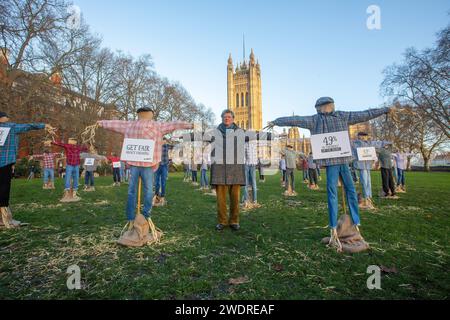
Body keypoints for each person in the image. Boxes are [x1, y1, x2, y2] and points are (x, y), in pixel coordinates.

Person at [268, 97, 393, 249]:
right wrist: (277, 121)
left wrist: (384, 110)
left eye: (325, 106)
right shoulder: (316, 120)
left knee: (350, 191)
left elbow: (365, 114)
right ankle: (334, 228)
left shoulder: (340, 116)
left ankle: (354, 224)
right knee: (334, 192)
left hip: (342, 160)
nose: (323, 108)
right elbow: (296, 120)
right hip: (333, 163)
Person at [97, 107, 193, 246]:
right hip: (143, 163)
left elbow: (114, 124)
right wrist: (189, 124)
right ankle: (139, 216)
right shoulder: (155, 126)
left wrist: (100, 123)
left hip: (142, 163)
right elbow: (174, 124)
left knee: (136, 190)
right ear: (150, 115)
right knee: (145, 190)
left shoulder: (133, 125)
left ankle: (139, 217)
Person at [0, 111, 52, 228]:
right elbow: (28, 126)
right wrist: (43, 125)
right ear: (4, 118)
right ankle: (5, 219)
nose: (8, 118)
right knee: (3, 191)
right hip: (5, 163)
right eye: (7, 117)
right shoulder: (11, 127)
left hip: (5, 162)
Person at [351, 132, 391, 209]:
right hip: (361, 165)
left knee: (368, 182)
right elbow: (352, 153)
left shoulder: (369, 143)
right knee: (364, 182)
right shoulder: (355, 143)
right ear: (359, 136)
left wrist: (387, 143)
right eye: (362, 136)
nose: (363, 138)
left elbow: (377, 143)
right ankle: (365, 199)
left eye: (365, 137)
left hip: (368, 165)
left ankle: (369, 198)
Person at [52, 138, 88, 202]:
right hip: (70, 165)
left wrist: (87, 144)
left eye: (71, 141)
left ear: (74, 142)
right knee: (68, 177)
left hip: (76, 165)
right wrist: (52, 142)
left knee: (76, 178)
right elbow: (60, 144)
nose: (69, 141)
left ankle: (74, 192)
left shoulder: (78, 147)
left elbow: (85, 149)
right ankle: (67, 191)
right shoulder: (67, 146)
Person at [153, 138, 173, 206]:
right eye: (162, 140)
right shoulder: (156, 146)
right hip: (157, 165)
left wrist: (169, 141)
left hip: (164, 166)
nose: (163, 142)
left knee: (163, 182)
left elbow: (173, 147)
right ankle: (156, 196)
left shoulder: (167, 146)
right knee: (156, 182)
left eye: (164, 140)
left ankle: (162, 196)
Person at [242, 138, 259, 209]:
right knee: (254, 183)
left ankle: (246, 200)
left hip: (247, 164)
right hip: (253, 164)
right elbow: (256, 156)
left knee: (245, 183)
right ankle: (254, 200)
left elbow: (243, 156)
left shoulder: (245, 144)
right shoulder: (254, 145)